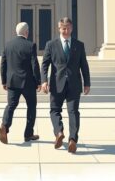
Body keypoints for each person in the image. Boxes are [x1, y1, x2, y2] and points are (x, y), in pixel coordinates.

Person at [41, 17, 91, 153]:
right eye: (63, 28)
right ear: (59, 29)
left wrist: (87, 83)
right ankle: (59, 133)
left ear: (72, 28)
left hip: (74, 84)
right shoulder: (51, 45)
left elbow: (84, 65)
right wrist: (44, 81)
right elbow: (44, 64)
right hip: (57, 84)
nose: (65, 30)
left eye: (68, 27)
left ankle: (73, 140)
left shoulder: (79, 45)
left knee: (73, 112)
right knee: (55, 110)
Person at [0, 21, 42, 144]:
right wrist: (38, 81)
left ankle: (5, 126)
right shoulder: (31, 45)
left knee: (11, 106)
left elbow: (3, 64)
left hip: (12, 82)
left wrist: (4, 81)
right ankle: (28, 134)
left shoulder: (8, 45)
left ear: (16, 32)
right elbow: (35, 65)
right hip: (28, 82)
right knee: (31, 107)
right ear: (27, 32)